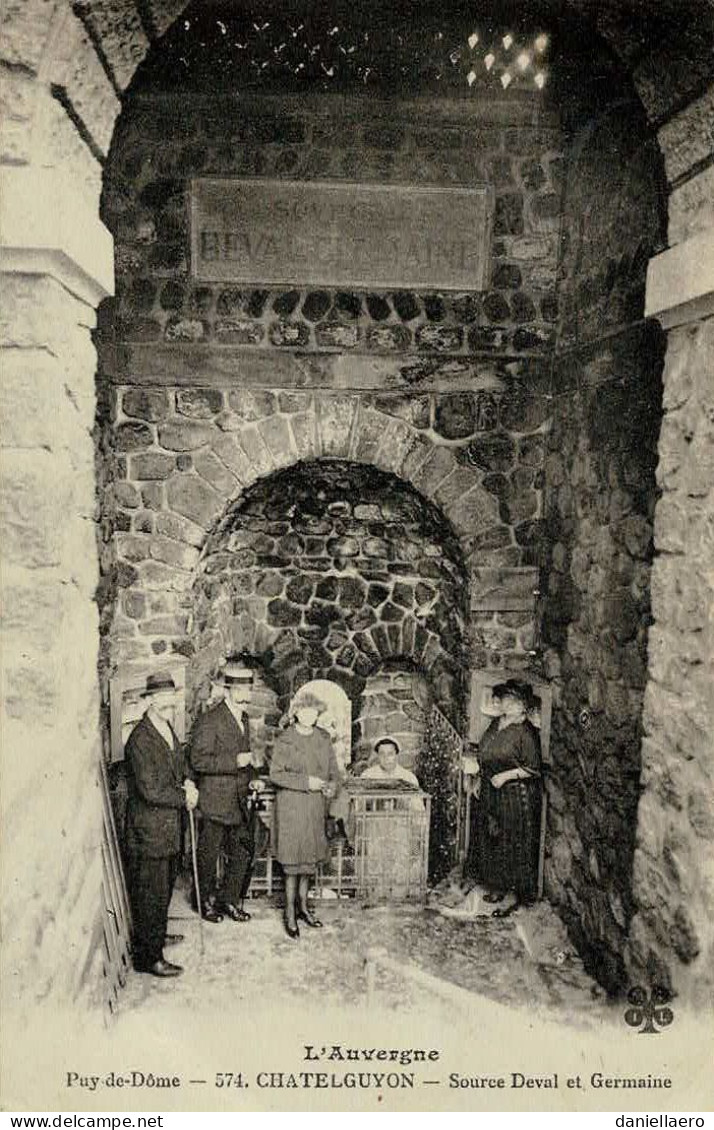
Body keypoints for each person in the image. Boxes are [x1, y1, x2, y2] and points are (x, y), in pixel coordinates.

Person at [123, 672, 198, 977]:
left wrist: (188, 779)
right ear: (150, 700)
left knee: (163, 888)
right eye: (164, 704)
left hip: (166, 828)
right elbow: (150, 790)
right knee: (150, 892)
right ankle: (148, 957)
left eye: (172, 704)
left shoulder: (166, 728)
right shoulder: (140, 739)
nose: (170, 709)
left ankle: (156, 935)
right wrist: (184, 796)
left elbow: (178, 764)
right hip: (149, 830)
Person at [189, 659, 265, 923]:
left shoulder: (242, 718)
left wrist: (254, 778)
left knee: (242, 852)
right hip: (215, 800)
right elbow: (198, 760)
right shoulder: (210, 720)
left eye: (249, 690)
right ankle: (203, 902)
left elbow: (245, 760)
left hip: (239, 801)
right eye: (243, 691)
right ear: (230, 690)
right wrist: (235, 762)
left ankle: (229, 900)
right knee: (208, 855)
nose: (248, 695)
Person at [464, 680, 542, 918]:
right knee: (493, 838)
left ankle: (513, 894)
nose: (507, 703)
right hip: (491, 791)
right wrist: (478, 778)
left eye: (513, 700)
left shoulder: (526, 732)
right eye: (505, 698)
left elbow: (533, 768)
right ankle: (497, 886)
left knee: (512, 841)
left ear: (523, 706)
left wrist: (506, 776)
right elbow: (483, 755)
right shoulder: (495, 724)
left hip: (515, 796)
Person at [270, 693, 342, 938]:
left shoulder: (323, 738)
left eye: (314, 712)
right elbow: (276, 775)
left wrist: (333, 785)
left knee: (308, 862)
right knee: (292, 864)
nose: (310, 716)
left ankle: (303, 908)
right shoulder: (285, 739)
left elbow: (334, 771)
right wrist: (306, 782)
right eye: (305, 711)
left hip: (314, 808)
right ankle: (289, 912)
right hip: (291, 808)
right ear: (295, 713)